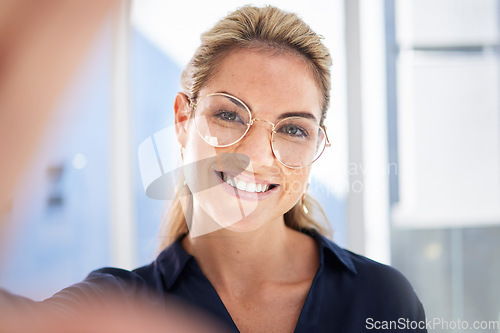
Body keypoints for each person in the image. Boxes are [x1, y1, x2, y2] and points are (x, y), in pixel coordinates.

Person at [17, 5, 426, 332]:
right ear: (182, 120)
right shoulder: (113, 308)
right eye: (230, 115)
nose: (255, 155)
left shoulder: (382, 299)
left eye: (293, 129)